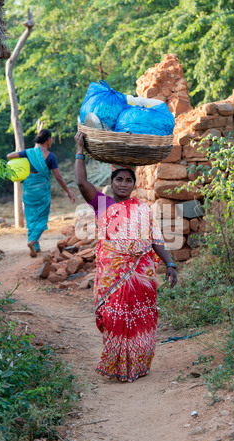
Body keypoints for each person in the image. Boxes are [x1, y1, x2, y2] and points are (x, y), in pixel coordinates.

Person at [74, 131, 177, 383]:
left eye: (128, 180)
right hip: (113, 277)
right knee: (114, 317)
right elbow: (80, 183)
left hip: (142, 277)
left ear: (134, 184)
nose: (123, 184)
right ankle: (117, 364)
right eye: (118, 179)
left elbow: (155, 239)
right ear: (111, 182)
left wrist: (170, 263)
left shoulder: (143, 208)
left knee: (142, 316)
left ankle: (139, 364)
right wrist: (79, 150)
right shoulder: (102, 204)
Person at [7, 129, 75, 258]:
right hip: (42, 191)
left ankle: (35, 245)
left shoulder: (28, 153)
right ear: (48, 140)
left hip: (28, 189)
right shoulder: (50, 156)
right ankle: (33, 241)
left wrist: (22, 167)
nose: (52, 141)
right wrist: (68, 191)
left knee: (31, 216)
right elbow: (59, 177)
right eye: (51, 139)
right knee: (42, 217)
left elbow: (10, 156)